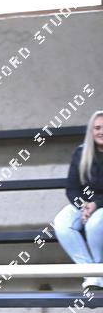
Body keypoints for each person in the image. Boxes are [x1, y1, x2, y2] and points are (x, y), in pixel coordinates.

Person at [53, 110, 103, 290]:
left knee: (94, 223)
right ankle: (91, 273)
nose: (101, 132)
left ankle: (100, 271)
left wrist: (96, 204)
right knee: (62, 223)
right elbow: (72, 188)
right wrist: (83, 206)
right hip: (86, 204)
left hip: (100, 205)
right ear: (91, 131)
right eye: (97, 128)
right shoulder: (81, 153)